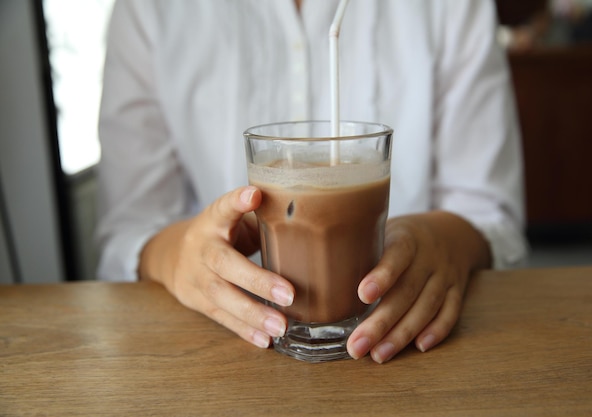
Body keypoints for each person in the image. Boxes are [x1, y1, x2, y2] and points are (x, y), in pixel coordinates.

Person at [96, 0, 528, 364]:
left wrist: (446, 238)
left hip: (408, 353)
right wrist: (180, 254)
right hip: (221, 356)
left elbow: (490, 213)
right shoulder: (149, 8)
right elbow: (131, 228)